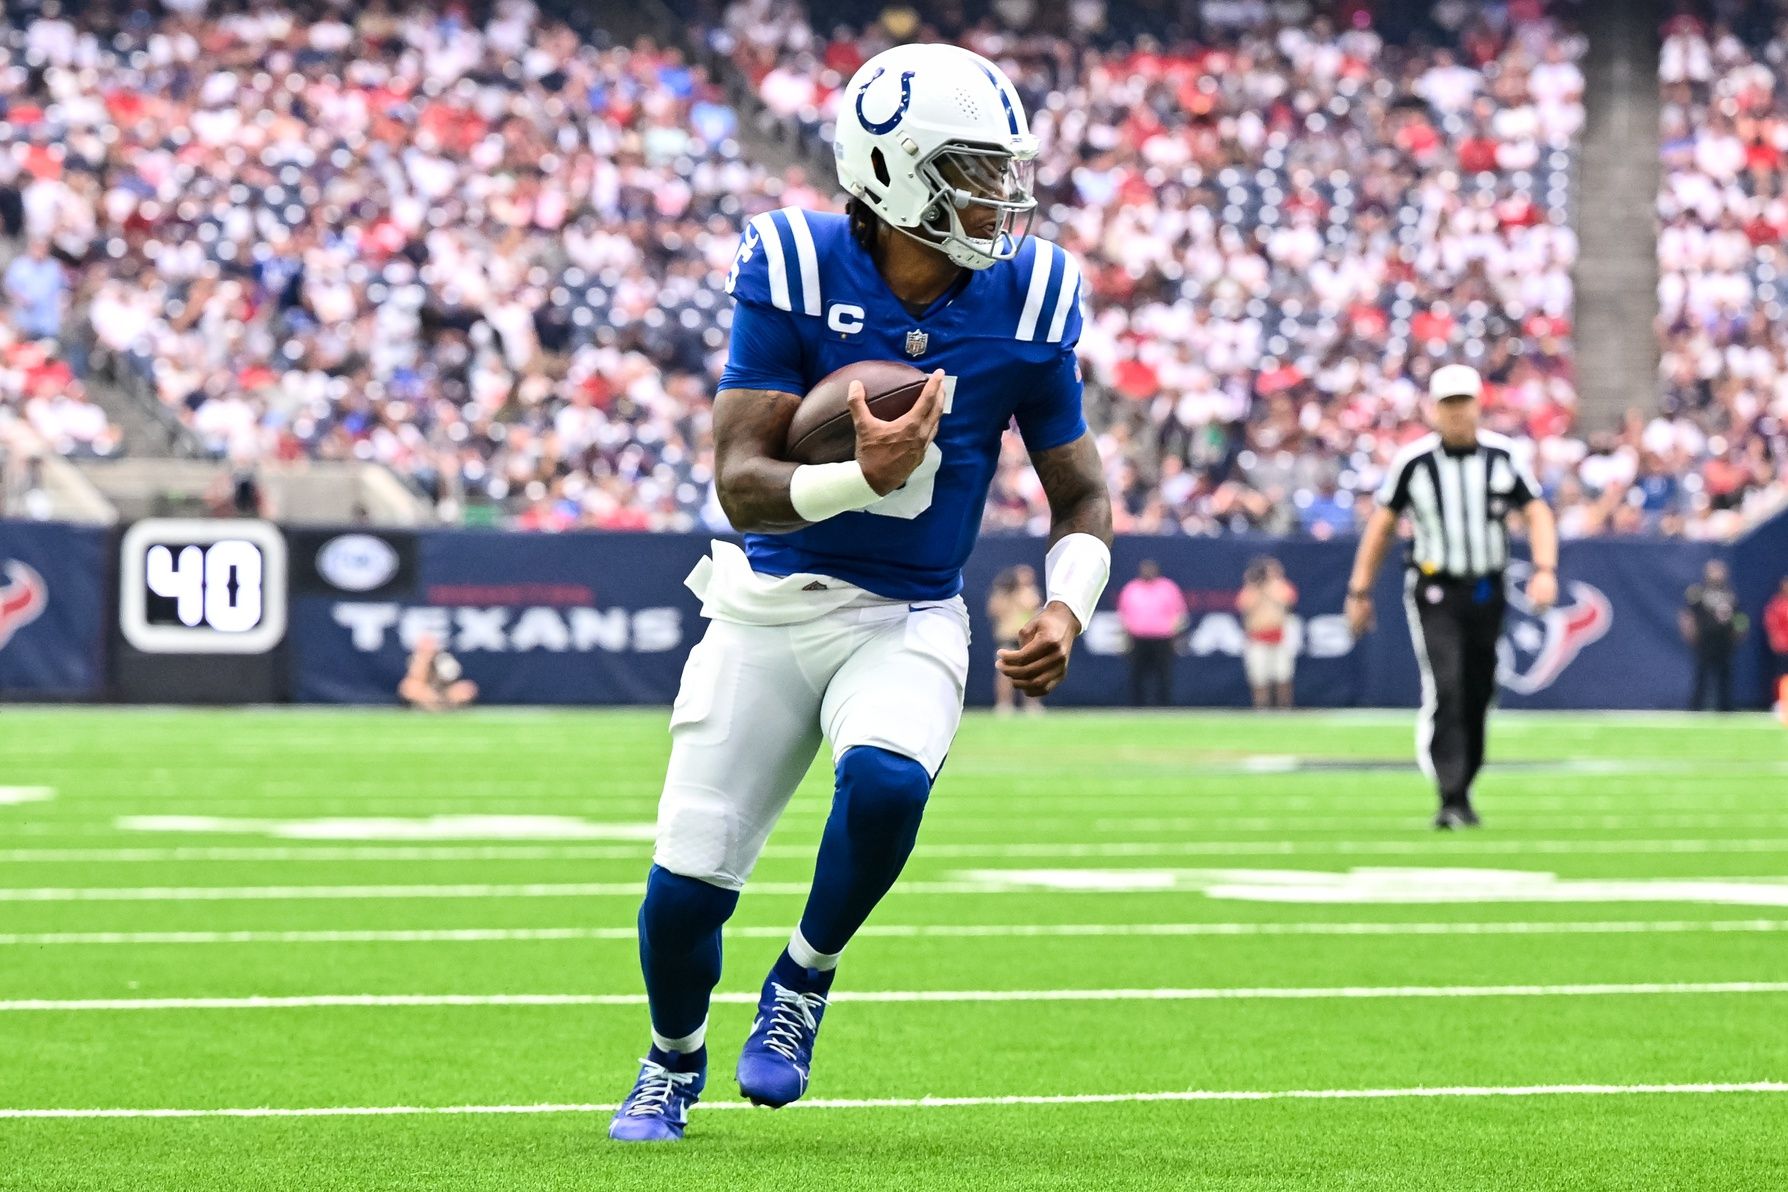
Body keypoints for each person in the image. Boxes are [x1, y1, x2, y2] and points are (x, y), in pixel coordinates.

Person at [610, 43, 1113, 1142]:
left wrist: (1069, 605)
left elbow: (1081, 499)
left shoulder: (1030, 298)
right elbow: (742, 487)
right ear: (894, 176)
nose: (1002, 197)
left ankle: (801, 981)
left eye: (1004, 171)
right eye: (974, 171)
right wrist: (858, 474)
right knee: (687, 885)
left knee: (886, 783)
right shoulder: (792, 263)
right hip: (767, 606)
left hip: (908, 613)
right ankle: (671, 1057)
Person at [1344, 363, 1558, 829]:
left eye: (1464, 402)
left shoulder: (1503, 456)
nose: (1458, 413)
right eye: (1449, 404)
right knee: (1447, 682)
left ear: (1479, 405)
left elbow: (1537, 511)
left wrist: (1545, 569)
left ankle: (1464, 782)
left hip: (1486, 586)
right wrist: (1359, 590)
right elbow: (1381, 526)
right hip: (1436, 585)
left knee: (1479, 688)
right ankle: (1450, 793)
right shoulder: (1414, 462)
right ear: (1434, 410)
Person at [1115, 559, 1186, 705]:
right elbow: (1123, 613)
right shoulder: (1132, 588)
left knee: (1163, 675)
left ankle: (1164, 706)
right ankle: (1137, 706)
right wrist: (1127, 631)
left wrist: (1173, 631)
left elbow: (1179, 614)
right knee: (1137, 675)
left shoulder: (1167, 588)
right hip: (1138, 639)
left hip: (1162, 639)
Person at [1680, 559, 1746, 712]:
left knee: (1725, 675)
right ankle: (1696, 707)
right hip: (1705, 639)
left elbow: (1740, 617)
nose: (1717, 575)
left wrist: (1740, 631)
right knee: (1701, 674)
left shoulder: (1730, 593)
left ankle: (1725, 707)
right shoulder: (1698, 592)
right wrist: (1689, 631)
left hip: (1724, 640)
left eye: (1719, 571)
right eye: (1713, 571)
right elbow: (1687, 614)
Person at [1237, 556, 1298, 709]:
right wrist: (1256, 587)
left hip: (1279, 637)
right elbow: (1243, 605)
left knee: (1283, 675)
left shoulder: (1280, 586)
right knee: (1259, 677)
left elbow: (1289, 600)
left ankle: (1284, 707)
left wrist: (1270, 586)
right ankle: (1261, 708)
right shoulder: (1251, 589)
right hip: (1257, 638)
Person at [987, 564, 1044, 715]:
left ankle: (1032, 705)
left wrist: (1019, 593)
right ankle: (1004, 705)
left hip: (1026, 638)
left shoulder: (1030, 592)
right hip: (1008, 637)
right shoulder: (1002, 594)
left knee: (1031, 672)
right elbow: (994, 611)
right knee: (1004, 674)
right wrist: (1004, 592)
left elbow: (1031, 605)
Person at [397, 633, 477, 711]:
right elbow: (415, 680)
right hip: (426, 692)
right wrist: (423, 662)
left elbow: (451, 678)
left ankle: (443, 706)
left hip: (444, 692)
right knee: (410, 688)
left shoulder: (444, 658)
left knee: (466, 689)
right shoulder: (415, 660)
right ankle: (431, 706)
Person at [1766, 578, 1788, 697]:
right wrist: (1775, 641)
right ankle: (1780, 700)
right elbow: (1772, 625)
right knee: (1781, 675)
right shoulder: (1776, 604)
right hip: (1782, 647)